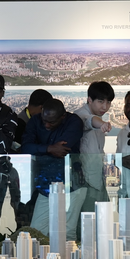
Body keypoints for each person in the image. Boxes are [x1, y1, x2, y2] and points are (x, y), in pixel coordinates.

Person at [19, 98, 83, 237]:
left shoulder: (74, 121)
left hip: (71, 183)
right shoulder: (36, 121)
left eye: (52, 122)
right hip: (45, 185)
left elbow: (62, 150)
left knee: (66, 232)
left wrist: (39, 148)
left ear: (63, 116)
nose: (47, 125)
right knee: (36, 231)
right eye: (44, 120)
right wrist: (49, 148)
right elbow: (25, 148)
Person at [74, 81, 115, 211]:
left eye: (108, 102)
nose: (105, 106)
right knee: (88, 221)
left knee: (103, 219)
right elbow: (90, 120)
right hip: (86, 179)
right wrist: (102, 124)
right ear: (89, 100)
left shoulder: (98, 115)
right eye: (101, 101)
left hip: (99, 177)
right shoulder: (80, 115)